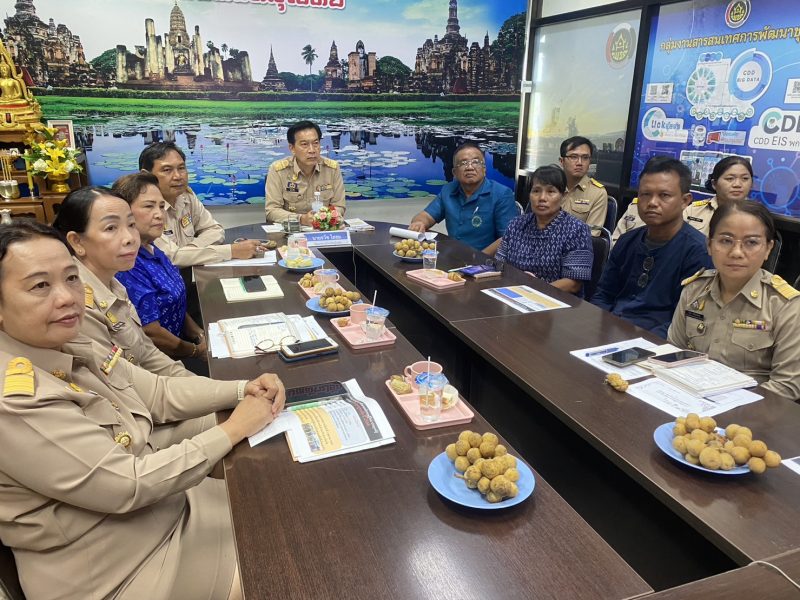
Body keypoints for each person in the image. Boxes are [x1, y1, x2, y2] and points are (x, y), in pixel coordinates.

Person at [0, 219, 286, 600]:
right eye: (40, 286)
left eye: (71, 278)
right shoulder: (14, 399)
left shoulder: (69, 343)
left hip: (158, 511)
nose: (67, 297)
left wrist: (242, 389)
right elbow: (128, 483)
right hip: (113, 566)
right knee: (281, 563)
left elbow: (159, 392)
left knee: (277, 506)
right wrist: (233, 428)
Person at [52, 185, 193, 377]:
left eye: (131, 225)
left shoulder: (114, 284)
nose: (130, 238)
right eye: (111, 228)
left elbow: (147, 352)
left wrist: (191, 380)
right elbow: (124, 382)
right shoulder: (78, 306)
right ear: (77, 242)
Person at [668, 201, 800, 400]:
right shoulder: (694, 290)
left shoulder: (785, 305)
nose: (736, 252)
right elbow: (673, 352)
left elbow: (786, 386)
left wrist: (727, 407)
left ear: (768, 248)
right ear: (709, 245)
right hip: (686, 399)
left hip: (751, 410)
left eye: (751, 242)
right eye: (726, 241)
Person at [591, 157, 713, 337]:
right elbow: (604, 294)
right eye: (645, 194)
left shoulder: (699, 252)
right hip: (611, 329)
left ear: (685, 201)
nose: (652, 202)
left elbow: (685, 320)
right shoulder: (627, 240)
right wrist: (595, 326)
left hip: (658, 341)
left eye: (664, 195)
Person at [112, 174, 207, 362]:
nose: (159, 214)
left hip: (182, 346)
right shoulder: (128, 263)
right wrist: (195, 351)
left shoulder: (153, 248)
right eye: (149, 206)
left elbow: (174, 302)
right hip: (158, 361)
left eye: (161, 206)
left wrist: (200, 334)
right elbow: (151, 331)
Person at [139, 141, 262, 267]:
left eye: (181, 168)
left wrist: (191, 250)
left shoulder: (186, 196)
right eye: (167, 170)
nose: (178, 176)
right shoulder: (141, 210)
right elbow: (170, 257)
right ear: (145, 175)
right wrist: (231, 251)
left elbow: (215, 230)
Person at [495, 165, 593, 294]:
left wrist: (534, 290)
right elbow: (499, 265)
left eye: (551, 192)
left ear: (563, 196)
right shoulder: (516, 224)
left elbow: (573, 284)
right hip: (512, 293)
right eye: (536, 191)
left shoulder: (577, 230)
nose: (542, 198)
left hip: (555, 300)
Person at [612, 155, 754, 243]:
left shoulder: (757, 216)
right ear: (714, 183)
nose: (737, 184)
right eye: (730, 178)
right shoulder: (693, 210)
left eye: (745, 179)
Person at [408, 142, 517, 252]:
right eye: (463, 163)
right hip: (453, 256)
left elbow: (507, 240)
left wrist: (478, 258)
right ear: (454, 173)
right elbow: (426, 216)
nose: (470, 167)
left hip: (487, 260)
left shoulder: (502, 194)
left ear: (484, 169)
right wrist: (419, 223)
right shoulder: (448, 190)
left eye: (475, 162)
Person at [264, 120, 346, 225]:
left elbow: (339, 206)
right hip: (290, 230)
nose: (312, 150)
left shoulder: (332, 169)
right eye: (304, 144)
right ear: (292, 148)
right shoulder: (278, 170)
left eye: (315, 143)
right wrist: (301, 219)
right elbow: (272, 210)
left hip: (323, 228)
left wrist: (324, 218)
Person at [559, 136, 607, 236]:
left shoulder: (597, 193)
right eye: (574, 157)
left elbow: (591, 236)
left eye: (585, 158)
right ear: (561, 161)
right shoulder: (551, 187)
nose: (580, 163)